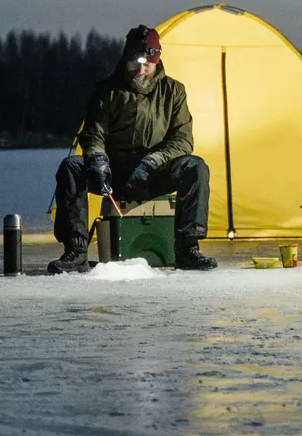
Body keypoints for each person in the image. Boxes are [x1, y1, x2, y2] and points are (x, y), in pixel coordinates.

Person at [50, 25, 217, 273]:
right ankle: (75, 250)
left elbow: (182, 140)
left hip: (154, 172)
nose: (141, 70)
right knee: (72, 167)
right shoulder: (107, 91)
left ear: (157, 61)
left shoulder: (174, 91)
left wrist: (153, 161)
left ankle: (187, 248)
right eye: (136, 63)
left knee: (195, 167)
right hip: (113, 172)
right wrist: (97, 159)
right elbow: (94, 132)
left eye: (147, 64)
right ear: (126, 58)